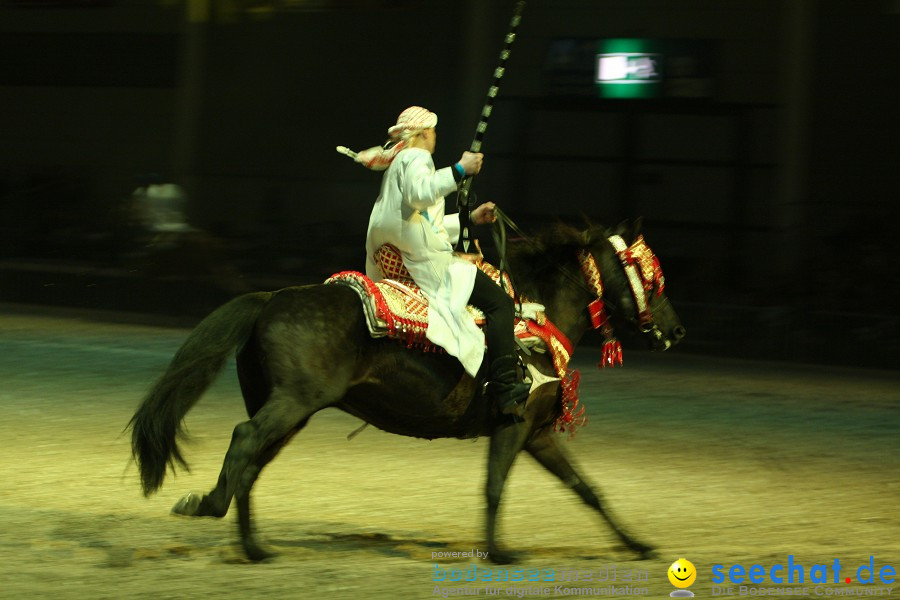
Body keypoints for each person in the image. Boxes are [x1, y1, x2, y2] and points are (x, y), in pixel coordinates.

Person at [341, 106, 528, 417]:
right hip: (420, 259)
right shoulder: (416, 157)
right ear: (425, 132)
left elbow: (426, 223)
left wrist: (471, 218)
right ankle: (505, 387)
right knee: (499, 301)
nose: (435, 137)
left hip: (399, 251)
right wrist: (459, 169)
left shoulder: (400, 162)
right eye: (434, 132)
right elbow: (421, 195)